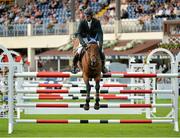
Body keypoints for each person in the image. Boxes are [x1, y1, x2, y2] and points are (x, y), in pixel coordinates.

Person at [72, 7, 108, 74]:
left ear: (91, 16)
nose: (86, 17)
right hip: (85, 39)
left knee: (102, 52)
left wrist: (100, 44)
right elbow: (79, 34)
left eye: (87, 16)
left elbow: (100, 33)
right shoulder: (82, 22)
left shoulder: (97, 22)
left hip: (94, 39)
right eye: (85, 15)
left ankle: (103, 67)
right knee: (78, 52)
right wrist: (82, 43)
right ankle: (74, 67)